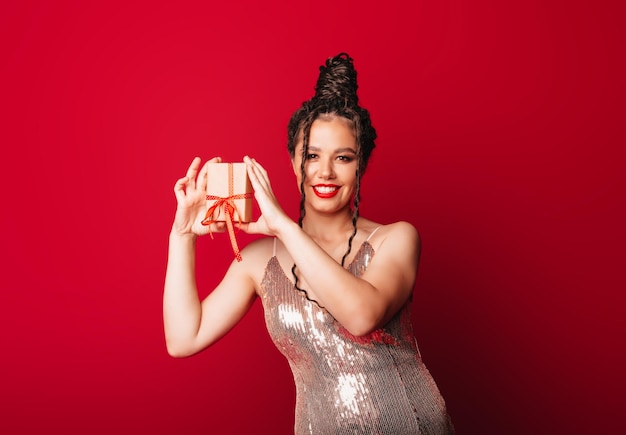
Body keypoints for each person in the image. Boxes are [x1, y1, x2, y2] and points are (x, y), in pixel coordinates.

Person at [164, 53, 454, 434]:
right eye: (312, 155)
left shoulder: (396, 238)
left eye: (344, 158)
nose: (325, 172)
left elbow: (361, 315)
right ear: (293, 161)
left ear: (361, 165)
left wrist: (284, 226)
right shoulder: (258, 261)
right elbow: (184, 338)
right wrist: (182, 236)